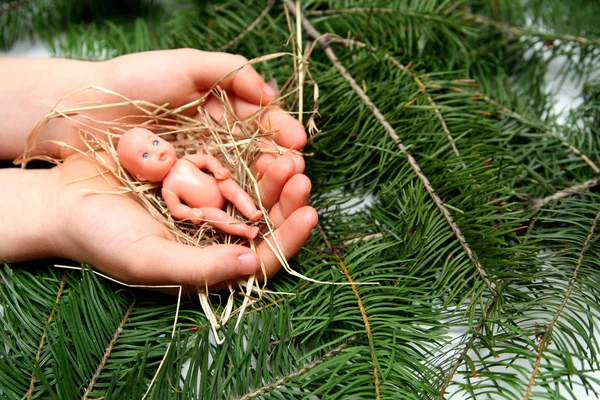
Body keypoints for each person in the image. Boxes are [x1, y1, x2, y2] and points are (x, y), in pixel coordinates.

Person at [0, 49, 318, 289]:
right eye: (146, 157)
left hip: (220, 187)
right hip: (206, 208)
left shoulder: (185, 161)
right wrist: (191, 215)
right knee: (217, 216)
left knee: (233, 189)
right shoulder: (166, 188)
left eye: (154, 143)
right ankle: (244, 229)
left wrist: (219, 170)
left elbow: (205, 162)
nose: (158, 152)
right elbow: (177, 208)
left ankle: (249, 210)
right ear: (139, 177)